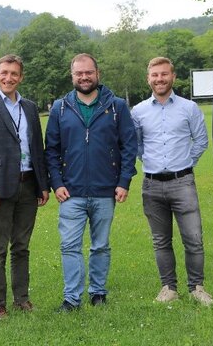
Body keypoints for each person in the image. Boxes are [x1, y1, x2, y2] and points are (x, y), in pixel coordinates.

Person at [45, 53, 138, 311]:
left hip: (105, 189)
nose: (84, 77)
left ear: (97, 73)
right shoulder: (60, 108)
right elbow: (51, 150)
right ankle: (72, 298)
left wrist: (124, 181)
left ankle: (98, 292)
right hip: (70, 192)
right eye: (79, 73)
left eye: (88, 72)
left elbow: (129, 146)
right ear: (72, 76)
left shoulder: (116, 106)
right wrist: (56, 182)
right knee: (69, 246)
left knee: (100, 246)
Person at [0, 54, 50, 319]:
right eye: (4, 73)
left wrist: (43, 185)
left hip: (28, 185)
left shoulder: (29, 107)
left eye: (14, 74)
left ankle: (22, 299)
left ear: (21, 77)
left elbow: (37, 149)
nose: (9, 78)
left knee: (22, 246)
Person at [131, 57, 213, 306]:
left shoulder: (189, 108)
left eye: (164, 74)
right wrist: (150, 161)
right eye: (155, 75)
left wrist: (185, 163)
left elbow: (201, 140)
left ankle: (197, 287)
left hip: (183, 182)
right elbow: (136, 145)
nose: (160, 79)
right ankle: (169, 288)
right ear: (148, 79)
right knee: (160, 240)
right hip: (152, 184)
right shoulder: (138, 111)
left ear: (173, 77)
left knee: (193, 238)